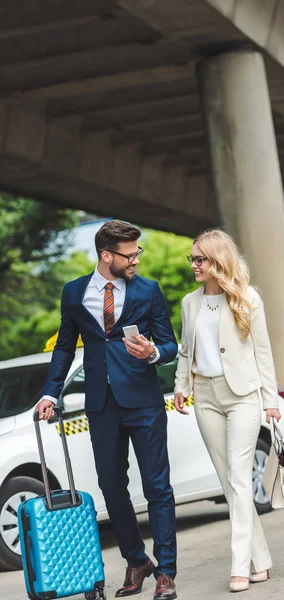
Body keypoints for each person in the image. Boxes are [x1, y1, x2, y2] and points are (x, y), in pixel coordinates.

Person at [35, 220, 178, 600]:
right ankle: (136, 561)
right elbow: (65, 346)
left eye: (137, 253)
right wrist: (51, 393)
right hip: (101, 405)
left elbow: (170, 345)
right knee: (112, 486)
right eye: (129, 256)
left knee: (157, 487)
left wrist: (153, 353)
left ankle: (166, 572)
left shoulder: (148, 291)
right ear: (106, 255)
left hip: (144, 402)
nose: (135, 261)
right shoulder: (74, 293)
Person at [174, 229, 281, 593]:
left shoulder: (248, 299)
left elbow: (263, 352)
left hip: (243, 396)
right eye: (192, 259)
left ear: (218, 260)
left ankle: (240, 567)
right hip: (205, 396)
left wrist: (271, 401)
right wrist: (181, 387)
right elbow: (186, 350)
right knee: (228, 481)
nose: (193, 265)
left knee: (238, 477)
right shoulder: (190, 302)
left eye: (199, 259)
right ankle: (261, 559)